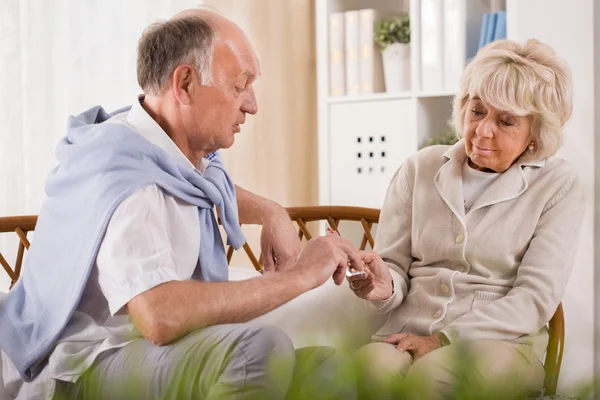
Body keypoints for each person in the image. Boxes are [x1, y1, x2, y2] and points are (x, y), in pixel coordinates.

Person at [0, 8, 363, 400]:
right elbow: (161, 316)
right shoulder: (120, 177)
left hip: (147, 355)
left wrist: (270, 212)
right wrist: (300, 275)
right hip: (80, 361)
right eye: (239, 86)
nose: (252, 105)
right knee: (258, 349)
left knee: (328, 368)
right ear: (185, 83)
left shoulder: (161, 153)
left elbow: (194, 186)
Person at [348, 38, 584, 398]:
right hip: (408, 331)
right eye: (477, 111)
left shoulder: (557, 184)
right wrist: (383, 285)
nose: (484, 130)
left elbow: (535, 298)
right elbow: (393, 266)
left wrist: (444, 339)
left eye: (506, 121)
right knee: (366, 372)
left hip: (504, 344)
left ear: (535, 133)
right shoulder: (418, 168)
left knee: (432, 379)